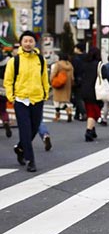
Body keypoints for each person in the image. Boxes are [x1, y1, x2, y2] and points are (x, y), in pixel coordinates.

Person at [3, 31, 49, 172]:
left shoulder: (40, 60)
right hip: (21, 100)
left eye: (31, 41)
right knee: (25, 130)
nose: (28, 43)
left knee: (34, 128)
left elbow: (44, 78)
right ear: (21, 43)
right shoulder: (14, 61)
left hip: (37, 99)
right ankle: (30, 160)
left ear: (35, 43)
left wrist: (45, 94)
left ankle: (20, 148)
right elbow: (8, 81)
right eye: (25, 41)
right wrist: (11, 97)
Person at [79, 47, 103, 141]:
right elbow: (105, 75)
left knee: (90, 109)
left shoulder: (84, 64)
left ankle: (92, 129)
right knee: (94, 112)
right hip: (96, 91)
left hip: (84, 90)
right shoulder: (99, 65)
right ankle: (89, 131)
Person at [50, 52, 75, 122]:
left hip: (58, 84)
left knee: (56, 101)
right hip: (67, 86)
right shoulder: (70, 65)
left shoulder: (58, 64)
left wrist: (51, 80)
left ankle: (58, 116)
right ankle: (68, 110)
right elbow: (72, 77)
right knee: (64, 100)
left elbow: (53, 74)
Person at [71, 42, 87, 121]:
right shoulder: (87, 57)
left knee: (78, 97)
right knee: (81, 96)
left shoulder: (75, 59)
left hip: (77, 79)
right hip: (86, 79)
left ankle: (84, 113)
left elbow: (73, 70)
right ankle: (77, 114)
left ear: (78, 49)